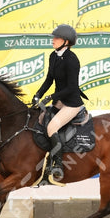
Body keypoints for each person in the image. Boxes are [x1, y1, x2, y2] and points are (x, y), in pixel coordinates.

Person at [32, 24, 88, 180]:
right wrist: (38, 94)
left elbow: (72, 87)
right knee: (40, 122)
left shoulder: (72, 60)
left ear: (66, 41)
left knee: (52, 127)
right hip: (59, 101)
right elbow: (49, 79)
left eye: (56, 38)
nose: (53, 40)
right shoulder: (53, 55)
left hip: (71, 103)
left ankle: (58, 166)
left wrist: (51, 96)